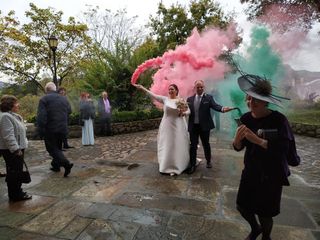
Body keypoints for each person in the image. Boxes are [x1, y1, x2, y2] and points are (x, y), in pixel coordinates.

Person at [233, 74, 292, 240]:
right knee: (242, 206)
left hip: (271, 174)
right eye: (249, 99)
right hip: (251, 170)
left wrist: (259, 141)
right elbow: (239, 147)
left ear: (266, 102)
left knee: (265, 213)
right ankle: (255, 229)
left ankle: (266, 236)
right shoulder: (245, 118)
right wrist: (237, 141)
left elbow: (284, 149)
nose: (251, 103)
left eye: (256, 100)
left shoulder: (279, 120)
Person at [133, 83, 190, 176]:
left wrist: (184, 113)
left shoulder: (181, 100)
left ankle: (177, 165)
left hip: (178, 126)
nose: (170, 91)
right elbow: (153, 95)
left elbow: (188, 111)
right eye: (169, 89)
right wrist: (142, 88)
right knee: (168, 144)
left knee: (176, 144)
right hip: (167, 126)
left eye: (172, 89)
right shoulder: (165, 99)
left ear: (176, 91)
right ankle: (166, 165)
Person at [187, 79, 233, 174]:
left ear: (204, 88)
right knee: (193, 146)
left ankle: (208, 161)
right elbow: (186, 111)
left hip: (204, 126)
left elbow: (216, 106)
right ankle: (192, 165)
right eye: (197, 87)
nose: (199, 88)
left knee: (206, 144)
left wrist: (223, 109)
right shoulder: (189, 99)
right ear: (194, 88)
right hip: (193, 127)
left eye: (201, 87)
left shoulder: (209, 98)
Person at [36, 82, 73, 177]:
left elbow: (41, 117)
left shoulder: (44, 99)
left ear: (46, 90)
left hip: (50, 130)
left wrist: (40, 131)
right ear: (55, 89)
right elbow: (69, 111)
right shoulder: (63, 99)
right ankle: (56, 166)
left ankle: (66, 164)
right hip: (63, 128)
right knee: (58, 148)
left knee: (52, 149)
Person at [0, 95, 32, 202]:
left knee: (16, 171)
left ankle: (17, 192)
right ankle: (15, 195)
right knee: (14, 172)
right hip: (12, 150)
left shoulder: (13, 116)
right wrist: (15, 149)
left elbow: (19, 130)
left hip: (17, 148)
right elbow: (8, 135)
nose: (18, 105)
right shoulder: (5, 117)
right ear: (10, 105)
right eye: (16, 103)